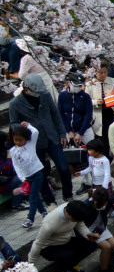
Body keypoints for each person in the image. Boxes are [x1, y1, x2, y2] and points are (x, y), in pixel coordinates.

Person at [9, 75, 72, 205]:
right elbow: (13, 123)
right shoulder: (15, 103)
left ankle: (68, 195)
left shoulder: (45, 95)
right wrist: (21, 126)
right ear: (26, 88)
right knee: (40, 173)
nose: (37, 94)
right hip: (34, 142)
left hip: (52, 136)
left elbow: (55, 115)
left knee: (63, 168)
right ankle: (50, 202)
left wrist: (61, 133)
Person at [29, 200, 97, 272]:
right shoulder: (50, 224)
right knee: (67, 255)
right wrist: (29, 263)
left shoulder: (74, 210)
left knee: (91, 245)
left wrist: (88, 235)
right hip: (49, 246)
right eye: (75, 219)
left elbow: (80, 225)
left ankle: (71, 265)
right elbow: (38, 243)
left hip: (65, 240)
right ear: (68, 215)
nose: (77, 221)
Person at [7, 122, 46, 228]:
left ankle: (30, 219)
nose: (18, 142)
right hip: (27, 177)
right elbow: (16, 165)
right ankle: (44, 212)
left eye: (21, 140)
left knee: (32, 198)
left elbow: (35, 132)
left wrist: (28, 125)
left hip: (37, 174)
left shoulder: (30, 144)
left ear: (26, 139)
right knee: (34, 197)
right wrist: (22, 178)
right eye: (16, 140)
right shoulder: (13, 151)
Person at [85, 186, 114, 272]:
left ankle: (111, 267)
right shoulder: (87, 205)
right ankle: (104, 271)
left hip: (101, 227)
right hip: (89, 230)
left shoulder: (108, 199)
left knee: (113, 244)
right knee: (106, 247)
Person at [87, 63, 114, 138]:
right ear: (95, 73)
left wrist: (113, 98)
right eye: (100, 73)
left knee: (113, 135)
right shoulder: (90, 84)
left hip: (112, 111)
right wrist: (96, 102)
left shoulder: (113, 81)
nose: (103, 75)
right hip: (98, 114)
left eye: (105, 72)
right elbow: (86, 101)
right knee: (101, 137)